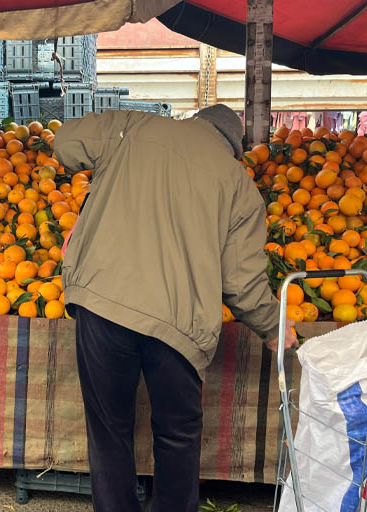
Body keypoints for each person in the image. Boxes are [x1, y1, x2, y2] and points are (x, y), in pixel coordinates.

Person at [53, 104, 298, 512]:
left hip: (103, 303)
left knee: (109, 430)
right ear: (233, 148)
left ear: (195, 122)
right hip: (179, 324)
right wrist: (274, 327)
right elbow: (242, 283)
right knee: (178, 434)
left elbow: (64, 144)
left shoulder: (131, 126)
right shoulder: (238, 184)